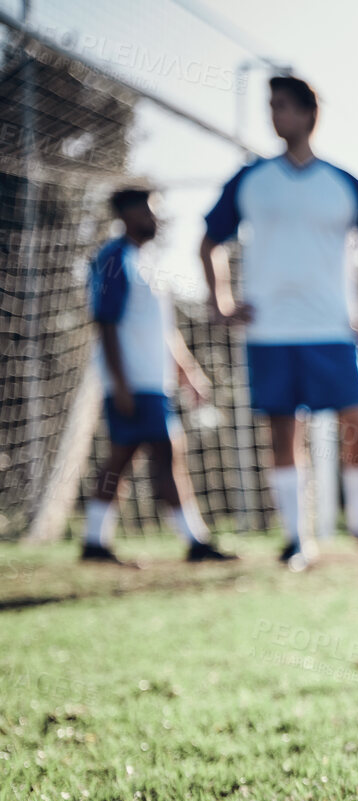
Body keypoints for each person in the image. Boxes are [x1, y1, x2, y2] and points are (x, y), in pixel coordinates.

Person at [201, 75, 358, 570]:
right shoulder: (249, 180)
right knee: (282, 432)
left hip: (333, 329)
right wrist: (222, 302)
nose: (275, 116)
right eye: (270, 106)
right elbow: (209, 241)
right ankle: (297, 538)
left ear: (308, 115)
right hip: (270, 331)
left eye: (283, 107)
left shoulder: (343, 183)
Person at [81, 188, 236, 567]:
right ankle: (195, 540)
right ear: (128, 214)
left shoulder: (146, 262)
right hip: (134, 382)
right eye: (148, 212)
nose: (154, 220)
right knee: (166, 452)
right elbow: (106, 323)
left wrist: (187, 371)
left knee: (123, 458)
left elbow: (163, 331)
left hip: (155, 381)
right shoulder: (115, 258)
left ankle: (94, 541)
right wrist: (119, 383)